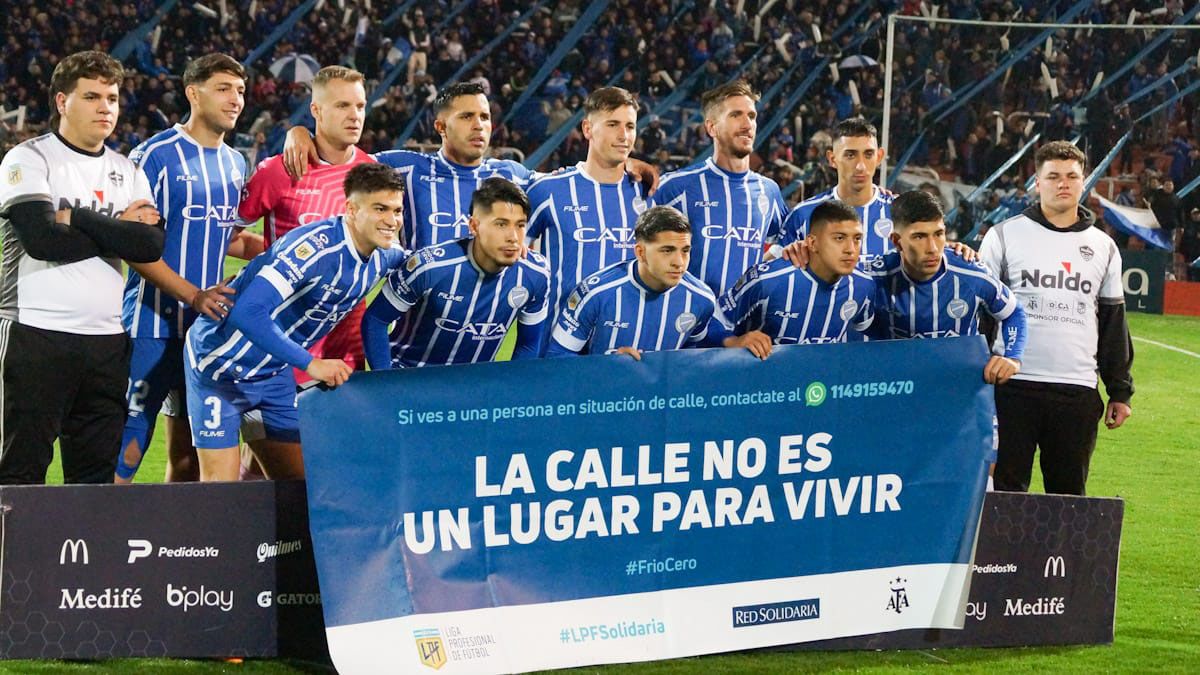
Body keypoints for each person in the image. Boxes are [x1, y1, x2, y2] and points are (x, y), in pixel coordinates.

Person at [184, 163, 408, 482]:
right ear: (351, 209)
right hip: (221, 369)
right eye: (380, 209)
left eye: (397, 210)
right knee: (220, 495)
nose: (392, 220)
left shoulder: (384, 255)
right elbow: (248, 312)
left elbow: (422, 265)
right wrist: (312, 365)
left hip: (273, 375)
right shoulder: (313, 248)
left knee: (299, 488)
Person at [0, 50, 164, 484]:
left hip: (107, 342)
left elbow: (148, 245)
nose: (106, 107)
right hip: (35, 333)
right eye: (92, 96)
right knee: (21, 470)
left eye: (112, 97)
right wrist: (116, 230)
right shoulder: (29, 159)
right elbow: (42, 240)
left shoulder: (126, 170)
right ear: (61, 102)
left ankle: (84, 555)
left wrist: (79, 218)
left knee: (94, 479)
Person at [117, 53, 264, 484]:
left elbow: (223, 235)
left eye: (240, 90)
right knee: (131, 431)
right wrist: (193, 296)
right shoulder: (156, 155)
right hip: (152, 322)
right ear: (193, 93)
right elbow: (134, 244)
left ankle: (180, 543)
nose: (235, 99)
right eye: (223, 88)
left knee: (190, 445)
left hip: (205, 330)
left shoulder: (236, 163)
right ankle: (94, 534)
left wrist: (271, 248)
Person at [283, 83, 657, 251]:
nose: (479, 125)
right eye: (466, 117)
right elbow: (339, 160)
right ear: (441, 126)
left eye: (484, 116)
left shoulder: (512, 175)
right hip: (414, 327)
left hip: (484, 331)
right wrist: (300, 131)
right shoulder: (406, 169)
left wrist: (627, 160)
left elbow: (579, 178)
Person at [980, 141, 1133, 496]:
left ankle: (1060, 557)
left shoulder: (1104, 246)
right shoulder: (1003, 236)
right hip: (1011, 386)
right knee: (1004, 491)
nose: (1063, 183)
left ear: (1084, 182)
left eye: (1071, 176)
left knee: (1067, 496)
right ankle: (1002, 556)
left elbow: (1113, 321)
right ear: (1037, 182)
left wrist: (1120, 391)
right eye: (1053, 176)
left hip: (1076, 390)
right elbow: (982, 314)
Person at [239, 66, 376, 381]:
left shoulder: (374, 173)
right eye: (342, 105)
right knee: (281, 433)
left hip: (348, 350)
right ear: (315, 109)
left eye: (360, 106)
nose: (354, 115)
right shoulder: (279, 171)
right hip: (284, 346)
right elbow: (224, 237)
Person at [361, 177, 549, 368]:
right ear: (474, 226)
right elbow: (376, 320)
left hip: (472, 387)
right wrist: (387, 381)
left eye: (520, 225)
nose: (513, 237)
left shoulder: (536, 274)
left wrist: (510, 389)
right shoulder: (429, 266)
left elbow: (529, 344)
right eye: (501, 224)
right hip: (409, 376)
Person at [527, 86, 652, 354]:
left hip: (627, 351)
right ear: (587, 129)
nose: (624, 135)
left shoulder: (647, 195)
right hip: (555, 352)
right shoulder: (548, 191)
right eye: (613, 124)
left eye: (630, 126)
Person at [871, 190, 1027, 384]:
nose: (933, 248)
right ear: (896, 241)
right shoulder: (875, 277)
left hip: (959, 390)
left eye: (938, 234)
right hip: (897, 388)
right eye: (919, 237)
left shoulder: (971, 273)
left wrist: (1012, 356)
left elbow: (1014, 312)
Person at [653, 80, 787, 296]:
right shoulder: (677, 187)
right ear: (711, 127)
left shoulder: (768, 191)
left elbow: (785, 241)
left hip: (746, 326)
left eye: (751, 116)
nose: (747, 124)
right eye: (736, 115)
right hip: (689, 324)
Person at [547, 205, 721, 358]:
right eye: (667, 250)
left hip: (664, 395)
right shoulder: (595, 293)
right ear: (640, 252)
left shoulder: (701, 299)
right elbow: (557, 355)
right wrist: (605, 364)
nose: (679, 262)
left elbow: (693, 353)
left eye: (685, 251)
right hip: (598, 393)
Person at [717, 200, 876, 358]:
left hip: (820, 381)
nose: (851, 249)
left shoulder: (863, 286)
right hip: (759, 380)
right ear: (812, 243)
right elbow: (712, 320)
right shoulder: (767, 280)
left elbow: (870, 333)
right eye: (839, 238)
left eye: (857, 239)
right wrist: (733, 342)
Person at [776, 117, 893, 265]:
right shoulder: (803, 215)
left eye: (869, 154)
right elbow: (776, 273)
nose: (861, 166)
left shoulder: (900, 212)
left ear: (879, 157)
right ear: (832, 158)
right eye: (850, 155)